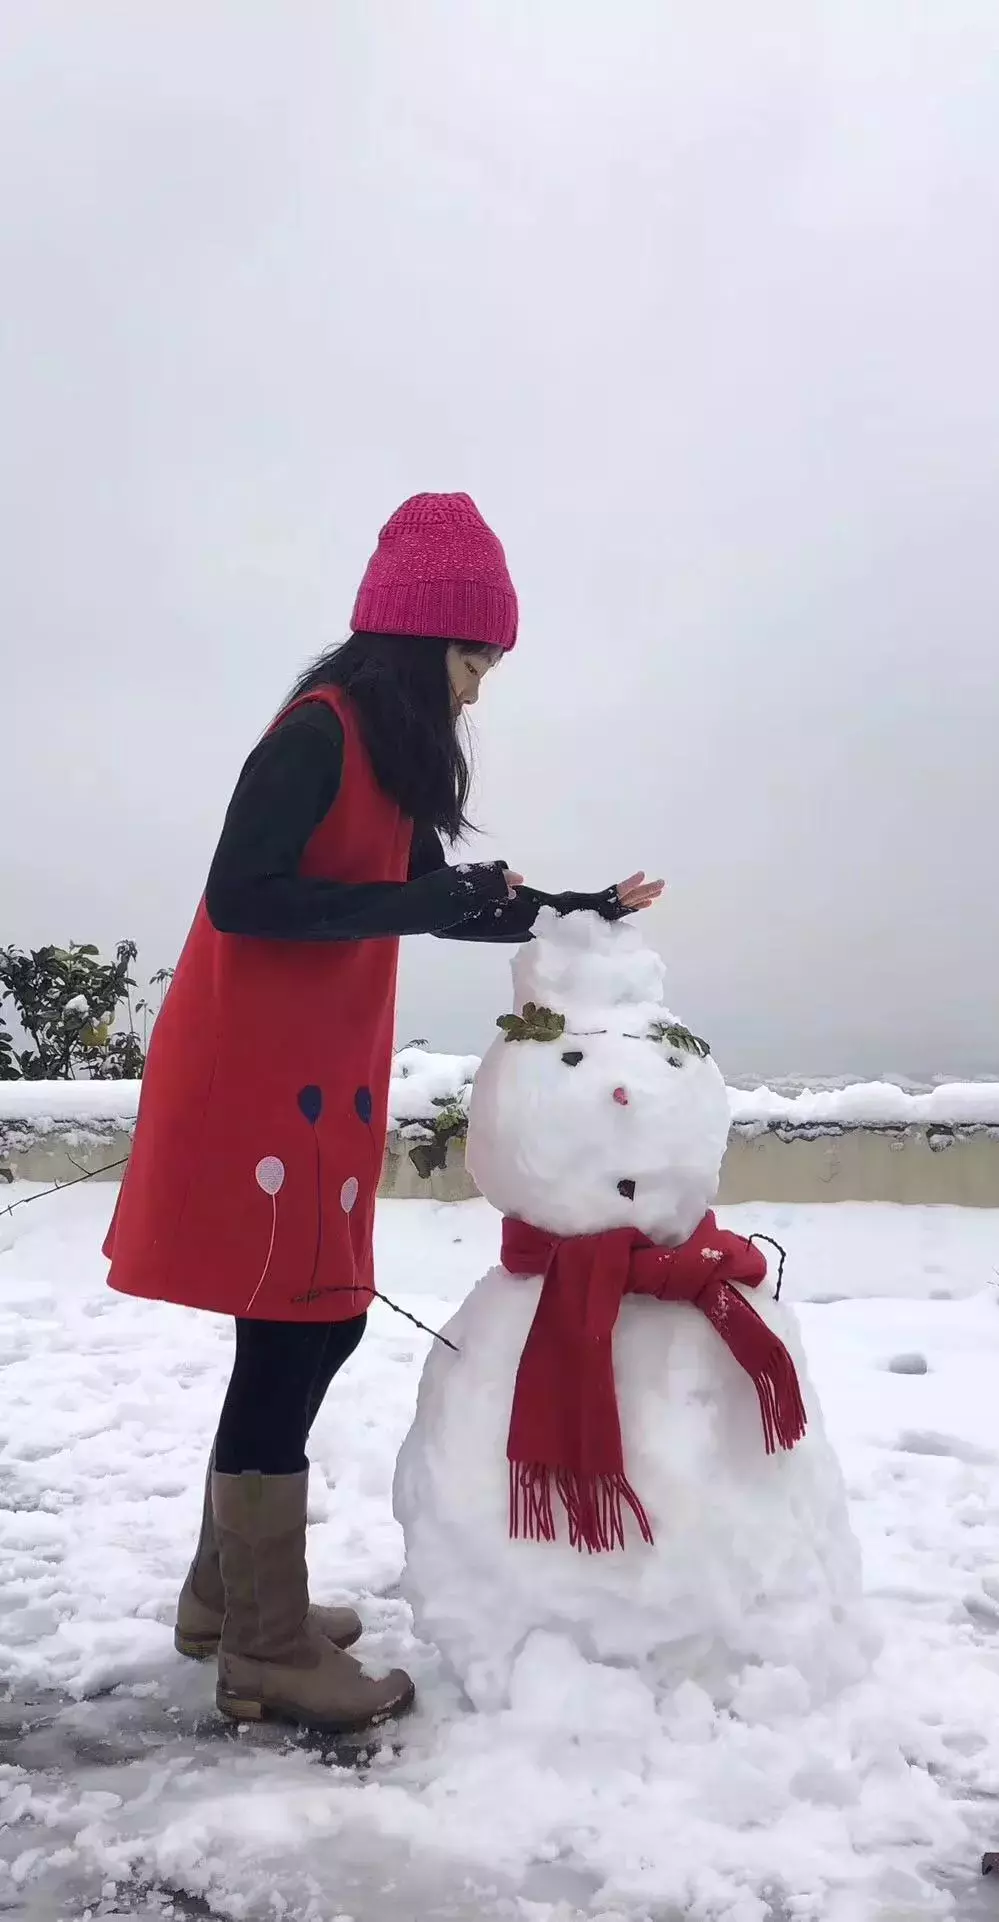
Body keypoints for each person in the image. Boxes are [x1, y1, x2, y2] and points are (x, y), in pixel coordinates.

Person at [103, 491, 663, 1736]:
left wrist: (574, 905)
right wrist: (414, 900)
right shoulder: (316, 733)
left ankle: (226, 1599)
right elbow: (247, 898)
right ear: (421, 645)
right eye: (474, 661)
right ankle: (261, 1641)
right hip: (255, 1075)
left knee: (315, 1324)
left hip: (320, 1073)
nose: (478, 691)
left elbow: (426, 898)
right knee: (297, 1326)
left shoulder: (392, 756)